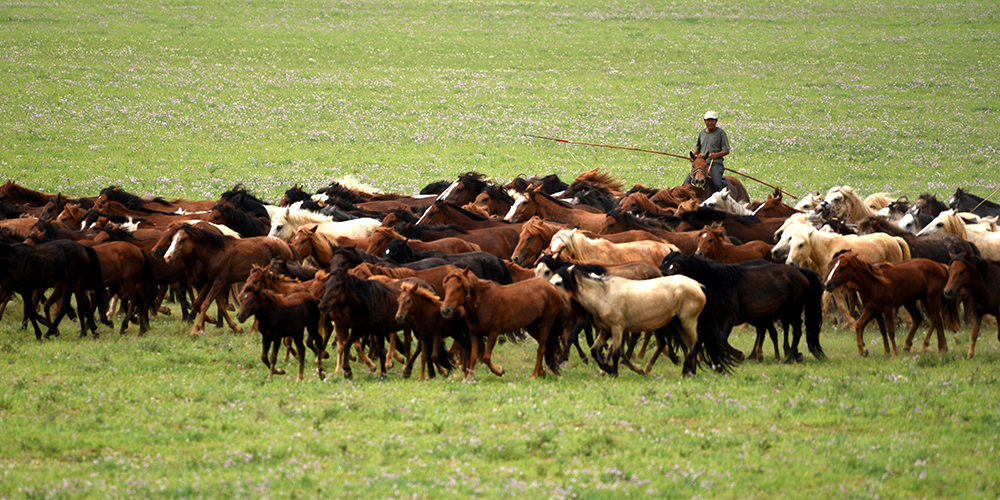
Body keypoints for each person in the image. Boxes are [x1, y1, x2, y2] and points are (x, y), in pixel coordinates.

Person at [685, 110, 730, 192]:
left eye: (712, 120)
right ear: (705, 121)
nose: (710, 123)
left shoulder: (721, 133)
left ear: (716, 121)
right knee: (686, 184)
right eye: (708, 120)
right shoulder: (702, 133)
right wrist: (693, 156)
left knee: (717, 183)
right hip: (701, 163)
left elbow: (726, 150)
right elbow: (698, 148)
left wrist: (716, 155)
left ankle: (726, 194)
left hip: (715, 163)